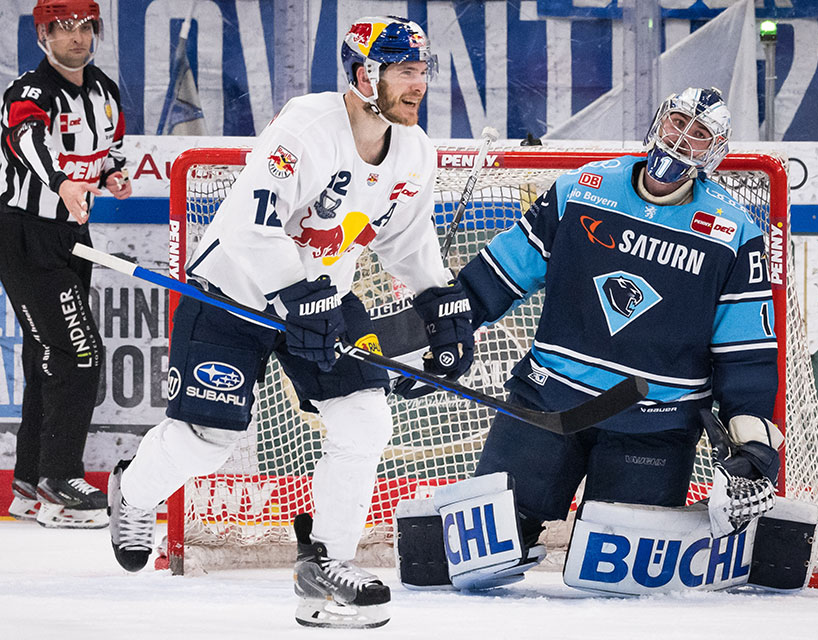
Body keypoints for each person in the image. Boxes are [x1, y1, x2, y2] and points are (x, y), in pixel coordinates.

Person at [107, 16, 474, 629]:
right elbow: (252, 227)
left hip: (323, 298)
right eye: (404, 72)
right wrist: (294, 295)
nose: (418, 86)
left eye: (421, 72)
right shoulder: (306, 124)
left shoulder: (416, 151)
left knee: (365, 417)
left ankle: (325, 567)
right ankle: (133, 493)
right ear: (363, 75)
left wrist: (442, 303)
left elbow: (407, 244)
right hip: (237, 292)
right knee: (206, 442)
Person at [443, 87, 782, 587]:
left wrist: (754, 444)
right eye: (678, 122)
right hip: (548, 401)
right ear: (659, 121)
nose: (683, 138)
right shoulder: (581, 187)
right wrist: (448, 325)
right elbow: (505, 271)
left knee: (617, 580)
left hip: (656, 422)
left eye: (700, 133)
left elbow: (745, 353)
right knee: (474, 558)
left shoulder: (734, 231)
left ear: (715, 150)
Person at [0, 0, 131, 529]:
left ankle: (30, 485)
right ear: (42, 36)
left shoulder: (103, 90)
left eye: (84, 27)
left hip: (72, 234)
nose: (76, 37)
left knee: (47, 359)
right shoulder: (29, 90)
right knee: (79, 353)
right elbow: (23, 138)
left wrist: (112, 178)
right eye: (63, 28)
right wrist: (62, 182)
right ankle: (60, 480)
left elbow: (111, 150)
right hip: (24, 234)